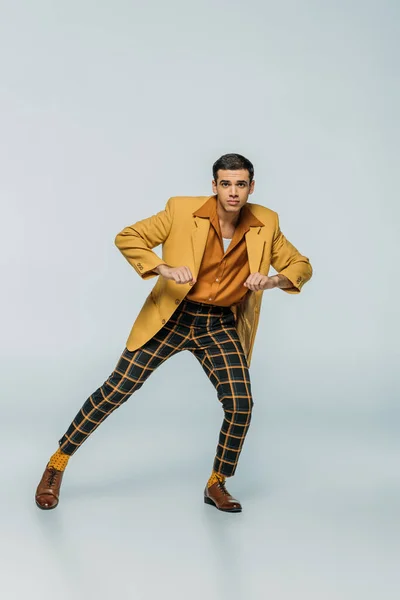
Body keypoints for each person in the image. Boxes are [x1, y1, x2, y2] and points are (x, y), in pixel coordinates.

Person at [35, 153, 313, 513]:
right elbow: (129, 237)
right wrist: (163, 268)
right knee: (116, 390)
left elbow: (301, 264)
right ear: (214, 186)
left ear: (251, 187)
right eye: (225, 184)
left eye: (240, 184)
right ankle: (57, 464)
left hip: (218, 325)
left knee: (241, 404)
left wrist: (272, 279)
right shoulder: (182, 210)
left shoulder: (266, 222)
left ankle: (217, 483)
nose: (233, 192)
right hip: (173, 316)